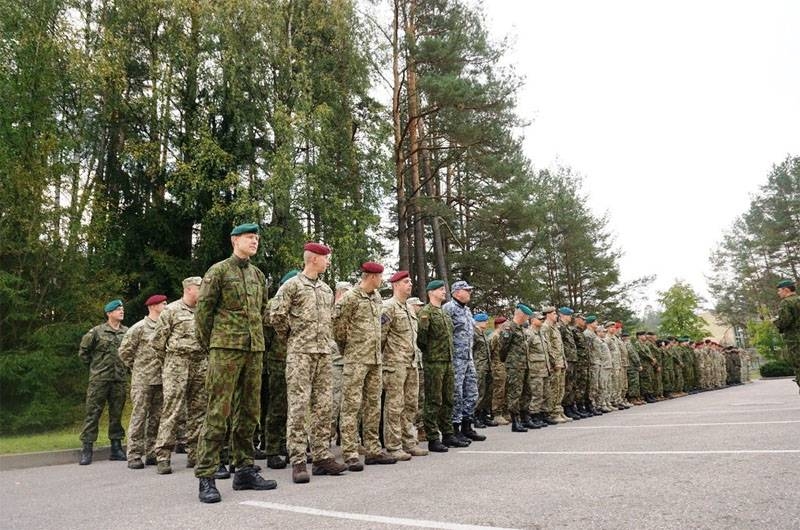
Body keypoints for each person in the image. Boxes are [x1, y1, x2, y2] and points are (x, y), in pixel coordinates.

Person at [193, 223, 277, 504]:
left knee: (250, 412)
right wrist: (213, 344)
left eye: (256, 238)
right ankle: (206, 475)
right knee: (218, 411)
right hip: (225, 349)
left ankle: (243, 470)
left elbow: (263, 312)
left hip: (253, 350)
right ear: (234, 240)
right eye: (249, 237)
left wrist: (259, 342)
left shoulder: (257, 275)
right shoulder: (218, 271)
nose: (254, 241)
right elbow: (203, 314)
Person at [271, 242, 348, 484]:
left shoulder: (326, 290)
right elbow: (276, 315)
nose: (328, 262)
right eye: (326, 258)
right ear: (314, 259)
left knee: (324, 406)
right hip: (301, 354)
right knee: (299, 406)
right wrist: (291, 339)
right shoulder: (292, 285)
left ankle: (322, 455)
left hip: (323, 353)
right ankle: (298, 460)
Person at [334, 261, 397, 470]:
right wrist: (349, 348)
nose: (381, 280)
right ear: (371, 277)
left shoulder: (377, 297)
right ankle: (350, 452)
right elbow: (338, 328)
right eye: (380, 277)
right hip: (356, 358)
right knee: (351, 406)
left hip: (375, 359)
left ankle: (373, 450)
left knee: (373, 405)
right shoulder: (351, 297)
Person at [151, 277, 207, 474]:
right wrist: (169, 362)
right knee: (172, 410)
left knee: (198, 411)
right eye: (200, 288)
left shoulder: (204, 310)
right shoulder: (171, 310)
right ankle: (163, 455)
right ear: (189, 289)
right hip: (177, 363)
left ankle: (195, 454)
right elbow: (157, 342)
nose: (203, 291)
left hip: (200, 363)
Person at [381, 271, 428, 460]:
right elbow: (381, 337)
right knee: (394, 405)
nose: (410, 284)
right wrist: (387, 360)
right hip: (394, 364)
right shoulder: (387, 307)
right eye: (405, 282)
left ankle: (409, 441)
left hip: (411, 363)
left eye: (410, 281)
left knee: (411, 404)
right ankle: (393, 445)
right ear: (395, 285)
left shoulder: (409, 308)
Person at [78, 299, 129, 465]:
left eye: (122, 309)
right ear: (109, 313)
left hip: (119, 379)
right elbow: (83, 353)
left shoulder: (127, 332)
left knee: (116, 415)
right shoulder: (96, 332)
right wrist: (95, 368)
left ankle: (116, 448)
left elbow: (130, 353)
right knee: (92, 414)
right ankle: (87, 449)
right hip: (99, 380)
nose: (121, 311)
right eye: (118, 309)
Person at [118, 294, 167, 469]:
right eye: (163, 303)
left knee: (157, 418)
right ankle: (134, 455)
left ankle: (152, 452)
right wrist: (136, 367)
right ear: (153, 306)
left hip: (161, 379)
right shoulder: (139, 328)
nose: (166, 306)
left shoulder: (165, 326)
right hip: (143, 380)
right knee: (139, 417)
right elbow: (124, 352)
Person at [417, 280, 466, 451]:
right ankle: (432, 437)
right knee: (433, 400)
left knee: (448, 399)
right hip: (434, 362)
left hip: (448, 361)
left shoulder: (445, 314)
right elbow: (421, 340)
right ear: (431, 292)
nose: (444, 292)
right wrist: (431, 354)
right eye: (440, 289)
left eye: (444, 289)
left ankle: (448, 433)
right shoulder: (426, 313)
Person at [261, 270, 299, 470]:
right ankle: (273, 449)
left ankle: (287, 443)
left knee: (296, 406)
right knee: (277, 406)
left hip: (298, 360)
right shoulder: (273, 306)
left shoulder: (300, 304)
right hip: (278, 361)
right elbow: (265, 338)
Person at [443, 280, 485, 443]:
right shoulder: (449, 308)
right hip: (456, 359)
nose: (469, 293)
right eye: (466, 290)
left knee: (472, 392)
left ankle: (467, 426)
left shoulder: (467, 311)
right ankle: (455, 428)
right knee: (456, 393)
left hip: (468, 358)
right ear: (456, 292)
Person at [774, 279, 800, 394]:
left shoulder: (786, 303)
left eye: (779, 290)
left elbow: (784, 322)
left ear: (786, 289)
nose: (778, 293)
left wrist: (775, 322)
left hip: (795, 341)